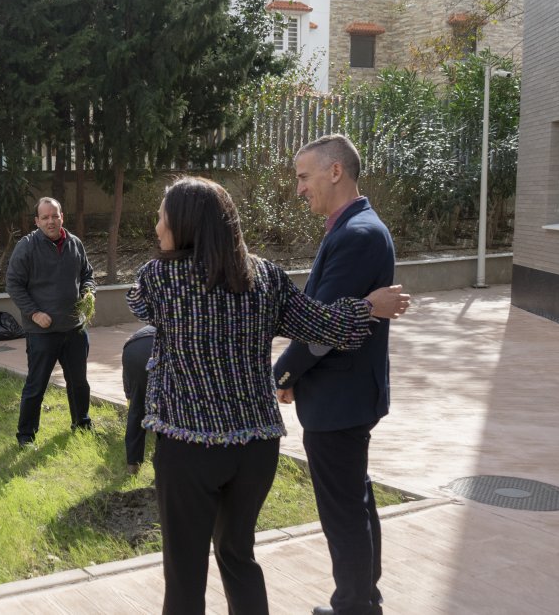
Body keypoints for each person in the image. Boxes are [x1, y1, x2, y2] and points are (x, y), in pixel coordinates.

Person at [126, 176, 409, 615]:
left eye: (162, 218)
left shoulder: (159, 278)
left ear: (182, 224)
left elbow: (137, 304)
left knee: (184, 573)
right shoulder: (265, 277)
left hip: (188, 447)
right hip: (255, 449)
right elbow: (327, 327)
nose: (157, 226)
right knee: (239, 556)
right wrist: (369, 306)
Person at [273, 134, 396, 615]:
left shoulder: (357, 234)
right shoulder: (353, 227)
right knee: (356, 497)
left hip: (339, 398)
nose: (300, 188)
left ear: (335, 172)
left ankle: (353, 606)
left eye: (304, 177)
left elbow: (324, 326)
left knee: (343, 508)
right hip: (346, 395)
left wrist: (283, 372)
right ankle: (365, 595)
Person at [5, 197, 96, 447]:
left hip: (74, 329)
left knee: (79, 382)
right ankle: (25, 436)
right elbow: (13, 284)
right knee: (36, 385)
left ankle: (82, 423)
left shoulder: (75, 243)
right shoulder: (27, 247)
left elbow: (87, 273)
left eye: (54, 216)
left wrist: (88, 291)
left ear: (62, 217)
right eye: (44, 217)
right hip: (41, 332)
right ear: (37, 221)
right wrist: (34, 313)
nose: (50, 221)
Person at [121, 325, 155, 475]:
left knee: (137, 407)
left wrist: (131, 397)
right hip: (155, 346)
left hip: (131, 350)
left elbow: (128, 383)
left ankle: (133, 465)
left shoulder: (150, 325)